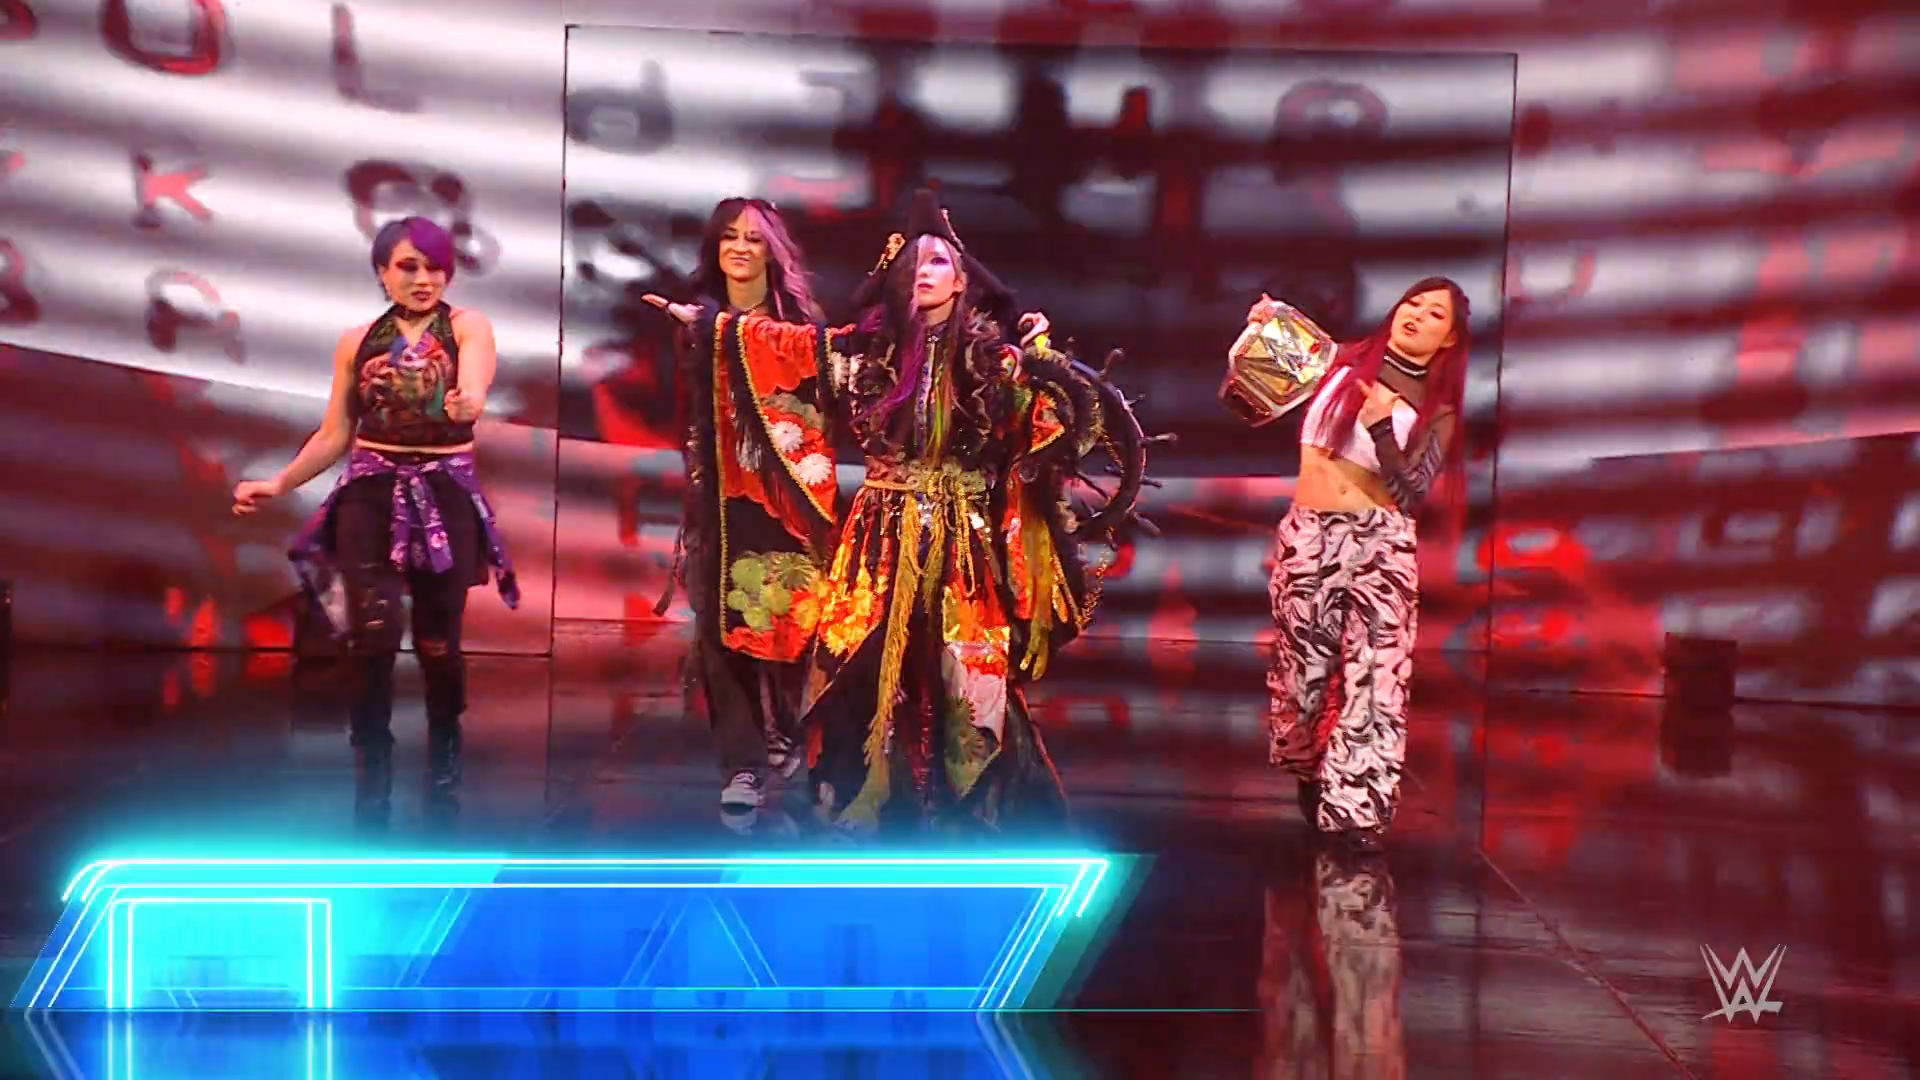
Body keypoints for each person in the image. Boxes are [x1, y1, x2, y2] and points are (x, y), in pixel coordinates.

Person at [646, 189, 1105, 834]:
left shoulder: (992, 358)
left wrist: (1042, 362)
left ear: (962, 279)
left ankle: (968, 805)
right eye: (913, 262)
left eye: (939, 262)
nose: (924, 272)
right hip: (879, 534)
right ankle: (861, 797)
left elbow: (1062, 428)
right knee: (855, 662)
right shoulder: (868, 351)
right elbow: (788, 348)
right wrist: (713, 327)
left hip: (961, 538)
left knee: (963, 670)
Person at [233, 216, 518, 818]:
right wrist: (278, 483)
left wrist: (468, 400)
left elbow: (475, 382)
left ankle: (444, 751)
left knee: (438, 640)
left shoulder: (467, 326)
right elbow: (335, 432)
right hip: (372, 491)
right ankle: (373, 763)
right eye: (408, 267)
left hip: (443, 491)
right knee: (373, 632)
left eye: (434, 267)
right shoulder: (356, 341)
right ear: (382, 272)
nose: (423, 278)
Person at [1253, 276, 1470, 852]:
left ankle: (1358, 812)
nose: (1416, 316)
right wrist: (1266, 332)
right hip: (1311, 534)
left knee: (1377, 675)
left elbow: (1412, 490)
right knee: (1302, 674)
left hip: (1381, 541)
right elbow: (1249, 388)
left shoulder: (1439, 409)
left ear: (1449, 339)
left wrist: (1380, 425)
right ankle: (1309, 766)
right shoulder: (1339, 360)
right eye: (1412, 303)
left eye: (1435, 314)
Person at [665, 197, 832, 812]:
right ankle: (743, 765)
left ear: (772, 251)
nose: (739, 247)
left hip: (782, 492)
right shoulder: (696, 321)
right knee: (718, 627)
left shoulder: (798, 325)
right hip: (716, 496)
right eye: (729, 237)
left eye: (753, 238)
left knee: (789, 618)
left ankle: (790, 730)